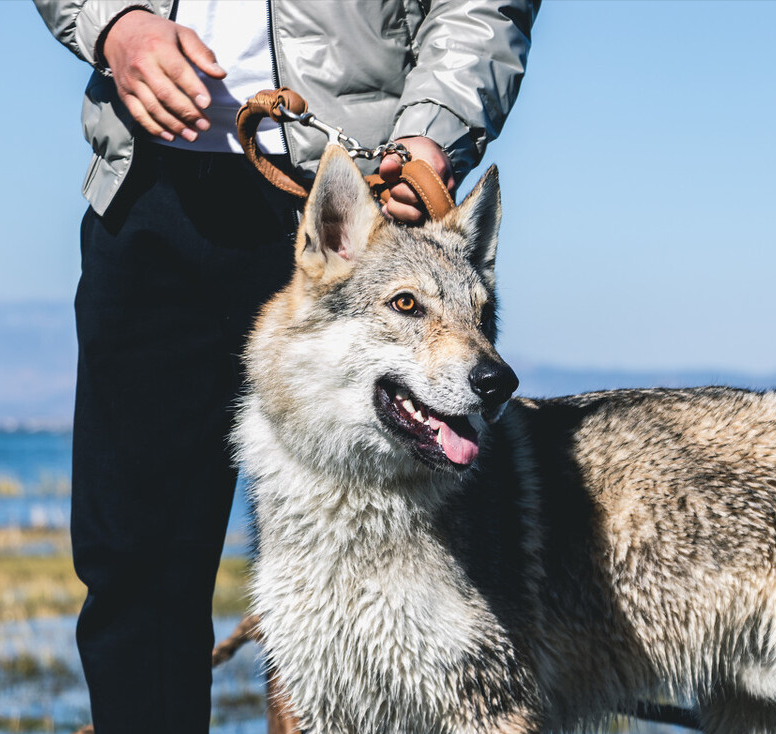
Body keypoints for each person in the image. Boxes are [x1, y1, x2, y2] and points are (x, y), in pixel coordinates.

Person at [32, 2, 537, 732]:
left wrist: (434, 129)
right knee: (132, 564)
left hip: (360, 202)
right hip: (150, 191)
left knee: (393, 570)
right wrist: (115, 25)